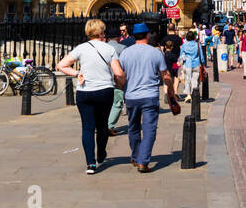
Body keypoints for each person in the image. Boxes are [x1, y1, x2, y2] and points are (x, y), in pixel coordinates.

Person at [57, 19, 127, 175]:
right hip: (105, 91)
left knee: (87, 128)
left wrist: (77, 73)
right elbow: (119, 73)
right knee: (102, 125)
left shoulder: (80, 48)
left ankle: (90, 163)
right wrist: (122, 84)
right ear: (102, 32)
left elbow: (61, 65)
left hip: (85, 92)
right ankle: (101, 154)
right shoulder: (109, 49)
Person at [120, 21, 178, 172]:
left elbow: (120, 75)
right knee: (149, 129)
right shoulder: (155, 52)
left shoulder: (125, 53)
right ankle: (143, 161)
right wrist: (171, 92)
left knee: (133, 127)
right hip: (150, 95)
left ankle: (135, 155)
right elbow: (165, 76)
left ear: (133, 36)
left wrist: (122, 90)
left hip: (131, 96)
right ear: (147, 35)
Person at [178, 30, 205, 100]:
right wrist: (203, 63)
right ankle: (194, 93)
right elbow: (201, 56)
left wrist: (180, 62)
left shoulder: (184, 46)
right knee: (195, 79)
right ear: (194, 37)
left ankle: (188, 95)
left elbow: (181, 56)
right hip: (196, 64)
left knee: (187, 79)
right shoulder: (198, 44)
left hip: (187, 64)